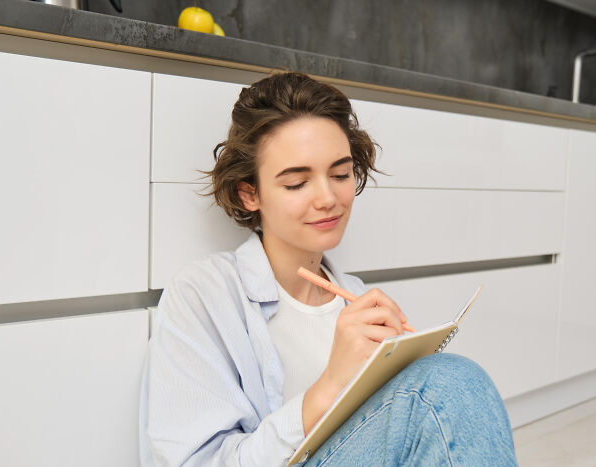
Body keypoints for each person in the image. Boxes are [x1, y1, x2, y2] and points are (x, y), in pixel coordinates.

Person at [138, 71, 519, 466]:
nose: (328, 198)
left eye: (340, 174)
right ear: (249, 192)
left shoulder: (353, 296)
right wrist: (330, 386)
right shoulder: (204, 295)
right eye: (297, 183)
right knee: (449, 384)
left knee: (444, 378)